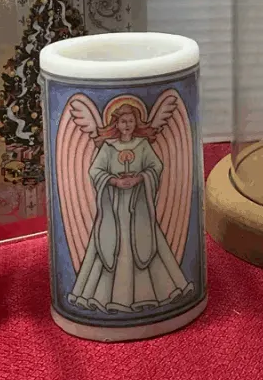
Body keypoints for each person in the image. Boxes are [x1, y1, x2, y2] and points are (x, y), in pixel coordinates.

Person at [67, 99, 193, 313]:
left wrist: (140, 178)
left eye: (131, 121)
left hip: (139, 205)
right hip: (114, 208)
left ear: (136, 123)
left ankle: (158, 293)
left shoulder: (142, 145)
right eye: (123, 121)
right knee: (110, 243)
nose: (127, 125)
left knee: (146, 241)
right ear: (116, 124)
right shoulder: (108, 147)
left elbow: (156, 166)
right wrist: (114, 181)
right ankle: (107, 298)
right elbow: (95, 171)